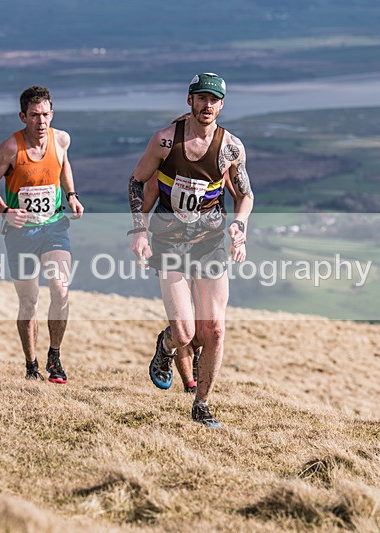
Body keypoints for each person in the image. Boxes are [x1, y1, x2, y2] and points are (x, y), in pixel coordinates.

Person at [128, 73, 254, 427]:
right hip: (169, 242)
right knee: (184, 333)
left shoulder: (231, 148)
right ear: (190, 100)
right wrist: (139, 230)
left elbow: (245, 195)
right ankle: (166, 344)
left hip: (210, 243)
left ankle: (201, 405)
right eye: (201, 98)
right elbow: (136, 181)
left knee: (214, 330)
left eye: (214, 100)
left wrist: (240, 227)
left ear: (222, 105)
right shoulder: (166, 141)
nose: (207, 105)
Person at [0, 85, 84, 384]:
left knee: (60, 288)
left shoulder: (61, 139)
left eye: (46, 114)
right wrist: (5, 211)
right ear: (23, 116)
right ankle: (31, 365)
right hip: (20, 235)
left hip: (54, 227)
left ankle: (55, 356)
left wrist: (72, 194)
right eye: (35, 115)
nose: (41, 121)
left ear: (52, 113)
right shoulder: (10, 149)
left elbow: (63, 164)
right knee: (29, 303)